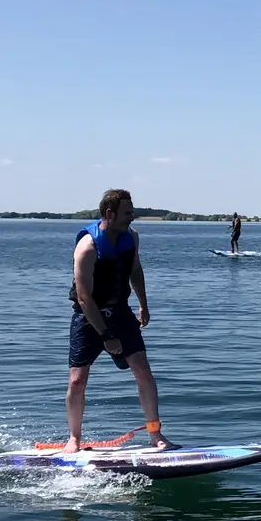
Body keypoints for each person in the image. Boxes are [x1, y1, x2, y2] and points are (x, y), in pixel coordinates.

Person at [65, 188, 178, 452]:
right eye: (128, 213)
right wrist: (106, 335)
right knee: (77, 380)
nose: (133, 217)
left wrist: (143, 305)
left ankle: (156, 435)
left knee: (143, 371)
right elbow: (84, 299)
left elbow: (135, 271)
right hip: (88, 316)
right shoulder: (87, 248)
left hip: (120, 311)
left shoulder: (132, 238)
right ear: (109, 213)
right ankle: (74, 439)